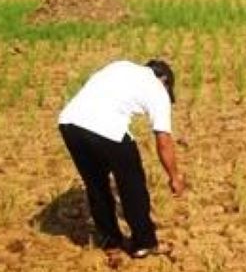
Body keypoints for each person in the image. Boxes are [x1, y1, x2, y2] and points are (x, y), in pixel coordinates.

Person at [58, 59, 185, 258]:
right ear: (164, 80)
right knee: (132, 185)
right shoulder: (157, 89)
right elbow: (163, 141)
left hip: (69, 123)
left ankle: (111, 242)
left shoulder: (119, 66)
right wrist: (174, 176)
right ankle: (144, 243)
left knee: (96, 185)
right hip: (108, 129)